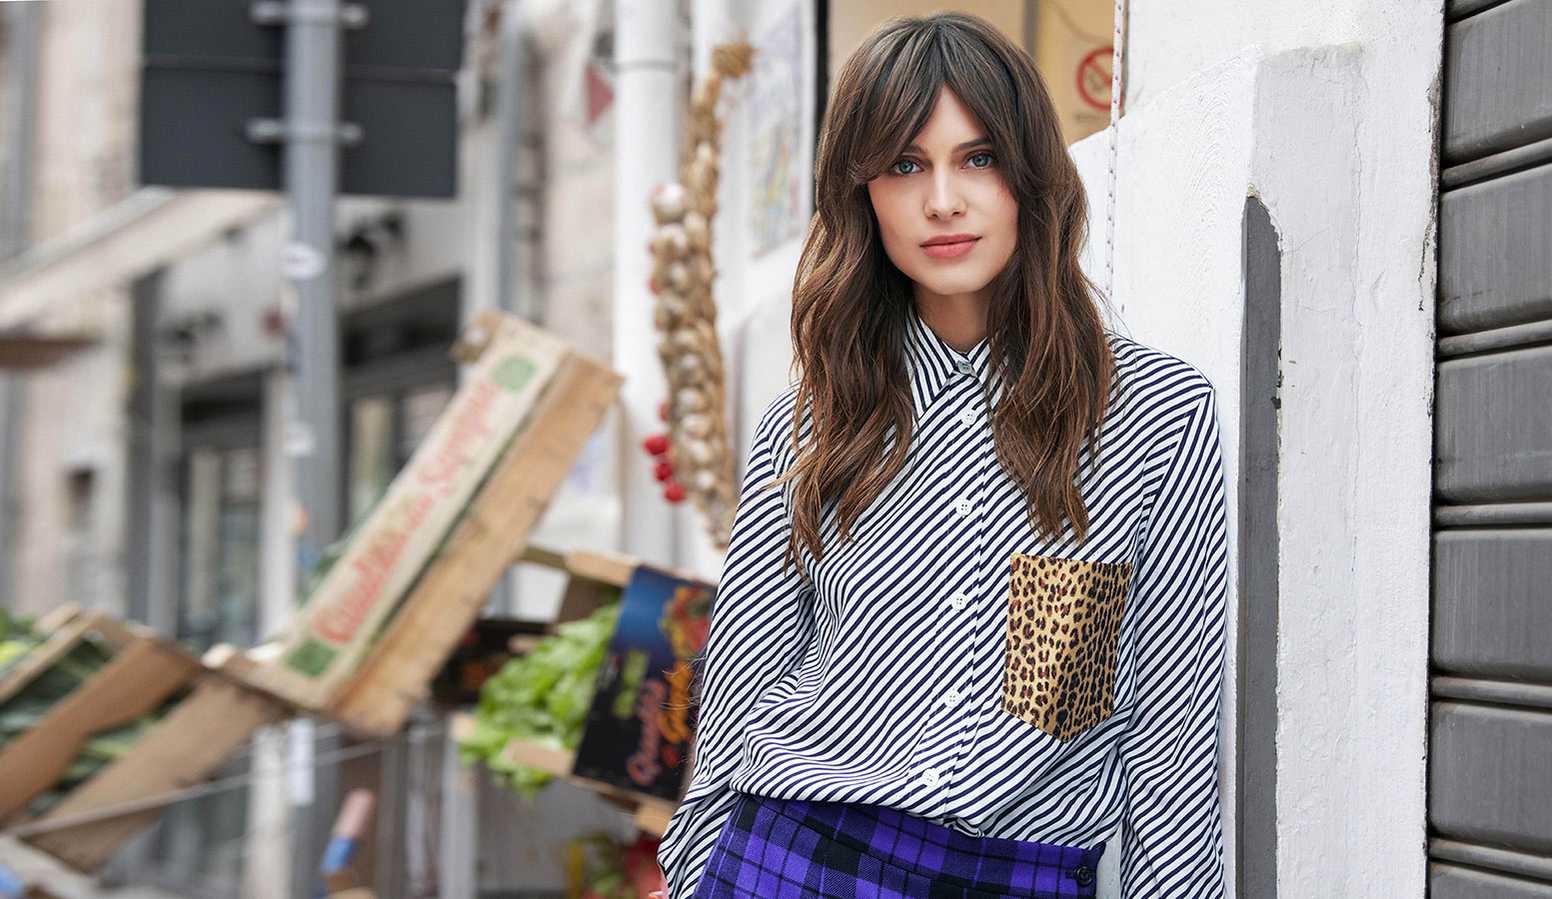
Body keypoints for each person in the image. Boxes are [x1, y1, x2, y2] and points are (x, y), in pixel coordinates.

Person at [653, 11, 1229, 899]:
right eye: (906, 165)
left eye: (980, 157)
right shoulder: (807, 429)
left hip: (1015, 872)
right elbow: (739, 688)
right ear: (862, 194)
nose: (943, 201)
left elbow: (1171, 733)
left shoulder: (1153, 419)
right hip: (798, 855)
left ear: (1031, 178)